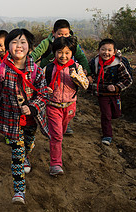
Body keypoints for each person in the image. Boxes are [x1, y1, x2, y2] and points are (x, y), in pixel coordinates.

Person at [0, 28, 50, 205]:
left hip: (32, 120)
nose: (19, 46)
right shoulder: (2, 69)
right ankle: (19, 191)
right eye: (14, 42)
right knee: (17, 155)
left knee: (27, 146)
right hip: (12, 121)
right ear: (8, 46)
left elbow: (44, 94)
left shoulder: (36, 70)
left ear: (29, 46)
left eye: (23, 42)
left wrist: (33, 107)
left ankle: (27, 153)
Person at [30, 19, 91, 135]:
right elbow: (34, 55)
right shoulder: (46, 43)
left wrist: (88, 72)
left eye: (66, 34)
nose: (62, 36)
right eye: (60, 34)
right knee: (49, 99)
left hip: (66, 76)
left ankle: (63, 124)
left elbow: (82, 57)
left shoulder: (71, 44)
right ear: (53, 33)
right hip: (48, 75)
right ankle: (52, 121)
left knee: (66, 101)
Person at [44, 37, 89, 176]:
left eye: (67, 53)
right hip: (53, 106)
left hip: (70, 106)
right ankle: (55, 164)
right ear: (54, 52)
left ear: (72, 53)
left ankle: (56, 143)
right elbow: (40, 85)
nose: (63, 56)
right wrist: (45, 89)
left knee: (61, 132)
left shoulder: (76, 67)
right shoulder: (49, 67)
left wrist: (76, 77)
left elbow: (85, 85)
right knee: (56, 135)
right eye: (59, 52)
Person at [87, 39, 133, 146]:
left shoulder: (118, 64)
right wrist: (88, 76)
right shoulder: (95, 62)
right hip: (102, 93)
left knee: (116, 114)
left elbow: (128, 80)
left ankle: (108, 123)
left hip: (115, 93)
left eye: (109, 50)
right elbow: (89, 73)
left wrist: (117, 87)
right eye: (103, 49)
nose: (106, 53)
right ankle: (107, 135)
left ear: (114, 51)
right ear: (98, 50)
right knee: (106, 115)